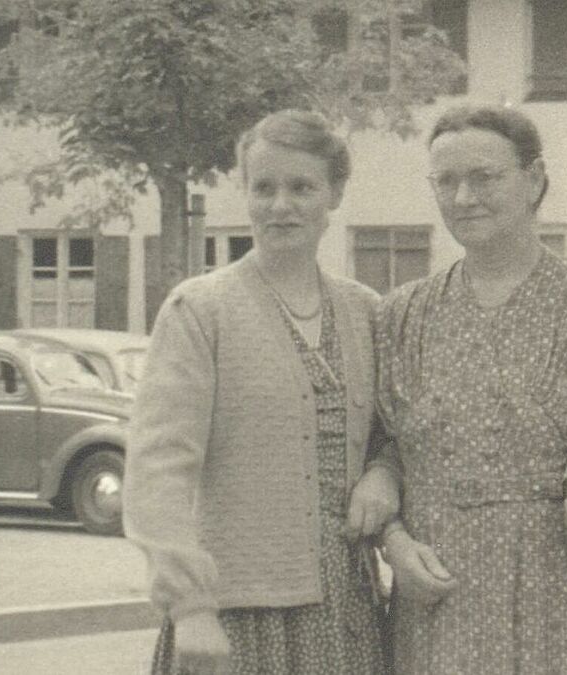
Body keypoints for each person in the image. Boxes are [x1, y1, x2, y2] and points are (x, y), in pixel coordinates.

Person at [357, 104, 567, 674]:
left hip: (561, 589)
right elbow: (381, 454)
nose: (463, 198)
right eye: (446, 181)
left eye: (483, 177)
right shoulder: (400, 316)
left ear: (533, 181)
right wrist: (396, 545)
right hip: (437, 591)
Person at [123, 110, 397, 675]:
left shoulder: (366, 310)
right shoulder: (200, 309)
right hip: (236, 616)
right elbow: (158, 468)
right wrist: (192, 607)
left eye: (302, 187)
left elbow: (395, 436)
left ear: (335, 194)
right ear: (244, 193)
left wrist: (384, 473)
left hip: (347, 613)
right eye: (263, 187)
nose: (281, 206)